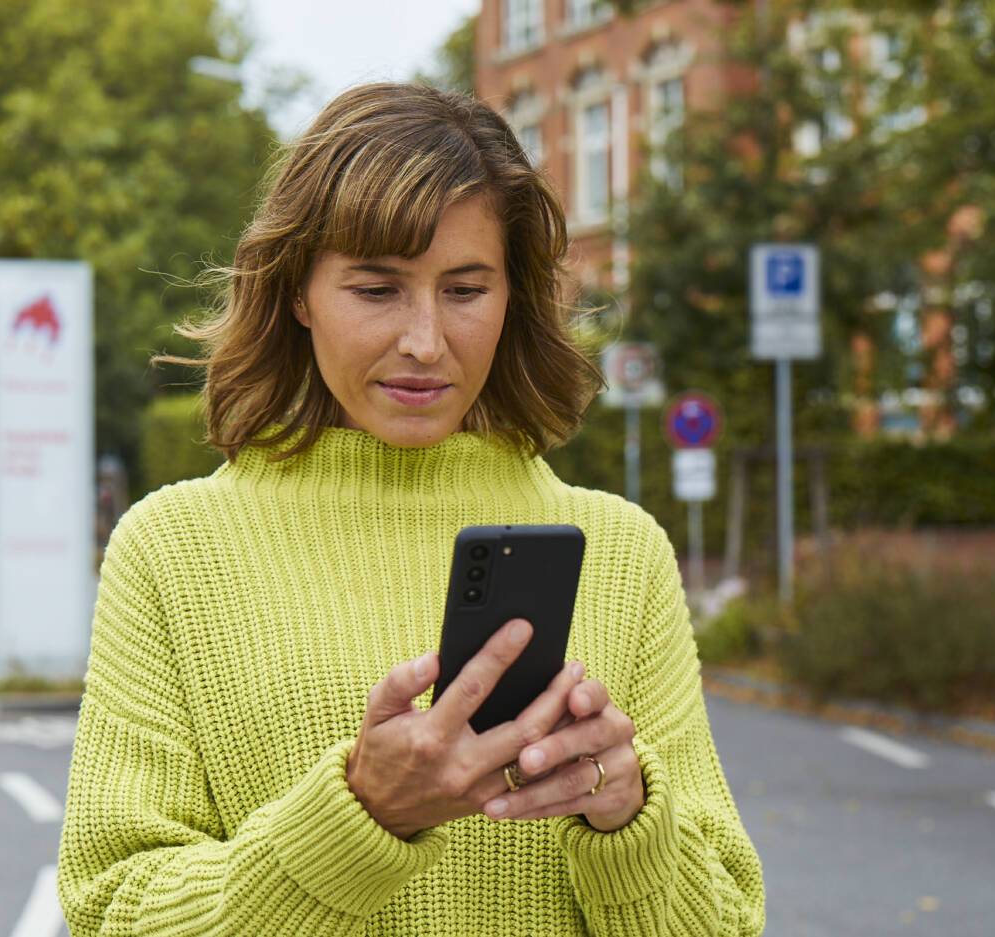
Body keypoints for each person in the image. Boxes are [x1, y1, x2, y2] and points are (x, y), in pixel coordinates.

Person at [57, 82, 764, 936]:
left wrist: (627, 820)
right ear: (297, 293)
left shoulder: (620, 551)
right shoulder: (172, 549)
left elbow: (728, 920)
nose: (426, 340)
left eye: (466, 290)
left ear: (514, 298)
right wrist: (360, 817)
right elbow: (111, 911)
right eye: (378, 289)